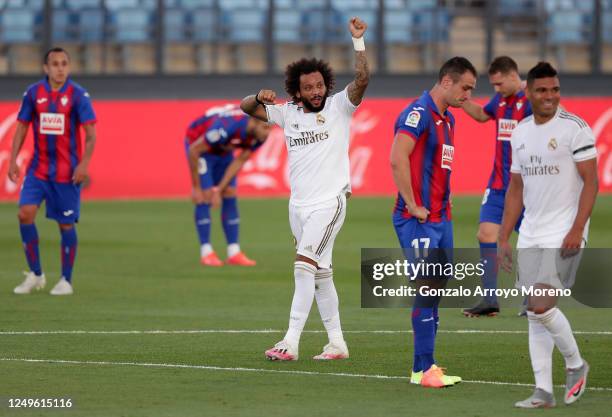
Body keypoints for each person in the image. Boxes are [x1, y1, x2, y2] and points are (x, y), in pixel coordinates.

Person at [240, 17, 369, 361]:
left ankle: (291, 341)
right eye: (308, 87)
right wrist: (257, 96)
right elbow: (246, 108)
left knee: (303, 266)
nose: (316, 92)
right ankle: (337, 343)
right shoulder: (287, 113)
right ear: (296, 91)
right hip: (298, 206)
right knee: (321, 274)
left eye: (320, 85)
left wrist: (358, 42)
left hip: (330, 202)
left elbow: (362, 79)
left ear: (326, 85)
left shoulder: (339, 106)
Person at [499, 62, 597, 408]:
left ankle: (575, 363)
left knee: (541, 304)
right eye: (542, 90)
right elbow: (515, 187)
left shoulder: (575, 129)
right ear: (529, 93)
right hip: (531, 232)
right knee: (533, 311)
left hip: (564, 232)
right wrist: (503, 236)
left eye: (555, 89)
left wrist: (576, 229)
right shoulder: (521, 131)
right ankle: (543, 390)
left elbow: (591, 182)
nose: (550, 96)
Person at [390, 57, 476, 387]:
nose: (467, 95)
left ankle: (421, 368)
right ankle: (426, 370)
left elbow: (440, 166)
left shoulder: (448, 119)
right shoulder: (418, 114)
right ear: (446, 82)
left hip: (442, 217)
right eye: (465, 87)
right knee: (426, 287)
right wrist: (413, 203)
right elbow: (397, 157)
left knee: (437, 288)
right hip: (417, 219)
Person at [9, 47, 97, 296]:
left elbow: (91, 135)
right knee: (25, 214)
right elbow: (22, 126)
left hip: (66, 173)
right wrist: (13, 159)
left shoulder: (78, 95)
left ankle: (66, 280)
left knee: (65, 225)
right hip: (38, 170)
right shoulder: (34, 93)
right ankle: (36, 274)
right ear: (46, 68)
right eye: (55, 64)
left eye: (64, 63)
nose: (60, 68)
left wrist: (84, 164)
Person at [461, 56, 532, 317]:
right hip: (499, 184)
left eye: (500, 83)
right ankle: (490, 300)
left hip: (529, 186)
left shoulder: (532, 100)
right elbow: (482, 115)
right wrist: (463, 101)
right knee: (485, 234)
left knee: (530, 240)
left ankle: (532, 297)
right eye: (493, 85)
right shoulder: (500, 101)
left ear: (514, 76)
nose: (497, 89)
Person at [185, 106, 270, 266]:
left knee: (230, 192)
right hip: (200, 148)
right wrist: (196, 187)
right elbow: (194, 150)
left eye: (270, 128)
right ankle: (206, 252)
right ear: (253, 121)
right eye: (265, 127)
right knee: (205, 195)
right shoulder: (226, 126)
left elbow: (239, 161)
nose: (267, 133)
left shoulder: (259, 136)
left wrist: (220, 189)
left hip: (224, 151)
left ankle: (234, 252)